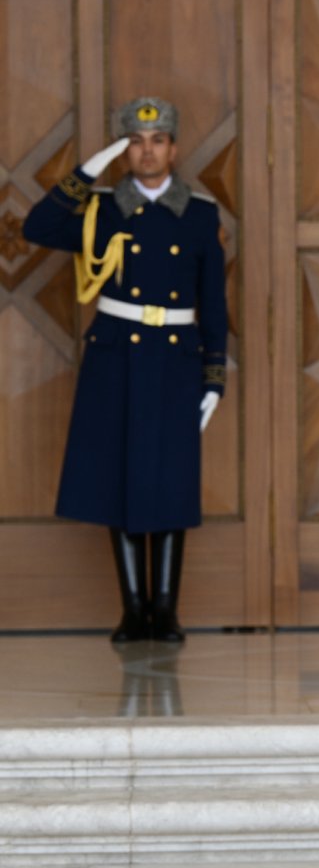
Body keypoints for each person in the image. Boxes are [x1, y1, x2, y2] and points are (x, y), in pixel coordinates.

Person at [23, 97, 228, 643]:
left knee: (172, 483)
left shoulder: (200, 214)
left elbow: (213, 302)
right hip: (116, 360)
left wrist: (214, 376)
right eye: (135, 142)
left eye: (157, 140)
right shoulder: (103, 208)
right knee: (122, 479)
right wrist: (90, 169)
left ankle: (166, 611)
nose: (147, 151)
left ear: (173, 148)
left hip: (176, 360)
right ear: (124, 151)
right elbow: (38, 226)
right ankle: (133, 610)